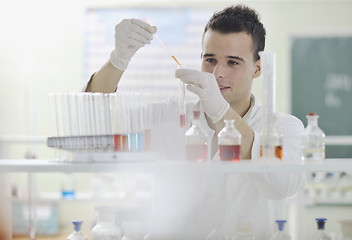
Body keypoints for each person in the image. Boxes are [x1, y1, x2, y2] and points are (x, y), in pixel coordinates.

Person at [85, 5, 306, 239]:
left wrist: (220, 111)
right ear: (201, 59)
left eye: (233, 62)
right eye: (210, 60)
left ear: (257, 68)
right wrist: (118, 60)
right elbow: (93, 121)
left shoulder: (283, 127)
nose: (218, 72)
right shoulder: (169, 117)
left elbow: (283, 185)